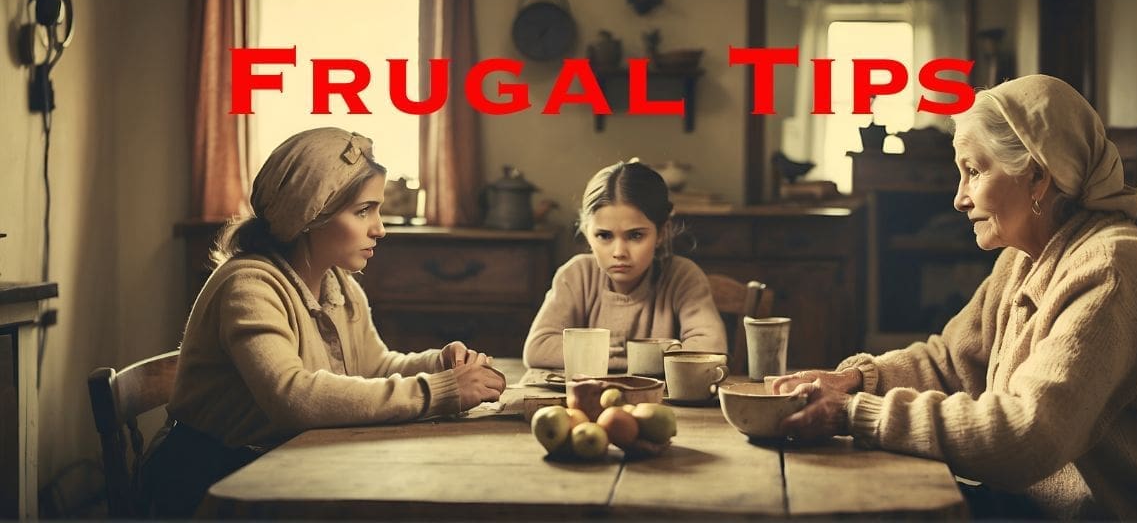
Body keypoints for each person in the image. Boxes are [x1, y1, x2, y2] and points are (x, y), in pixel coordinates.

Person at [772, 75, 1137, 519]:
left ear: (1036, 176)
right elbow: (951, 364)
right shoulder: (1025, 257)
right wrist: (860, 380)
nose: (959, 198)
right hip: (1023, 505)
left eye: (973, 172)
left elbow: (1027, 436)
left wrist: (854, 414)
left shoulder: (1112, 269)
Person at [142, 128, 506, 517]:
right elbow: (293, 398)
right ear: (310, 215)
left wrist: (437, 364)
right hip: (211, 483)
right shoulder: (247, 286)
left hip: (282, 466)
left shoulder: (338, 284)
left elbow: (374, 367)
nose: (379, 228)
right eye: (363, 211)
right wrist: (440, 390)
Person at [523, 161, 727, 371]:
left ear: (662, 233)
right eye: (604, 235)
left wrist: (595, 356)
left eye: (636, 235)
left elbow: (711, 348)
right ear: (586, 232)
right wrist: (647, 360)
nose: (619, 252)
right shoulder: (576, 275)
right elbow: (539, 349)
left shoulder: (682, 276)